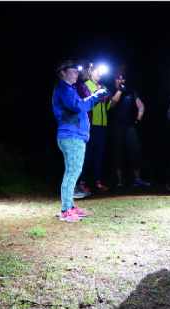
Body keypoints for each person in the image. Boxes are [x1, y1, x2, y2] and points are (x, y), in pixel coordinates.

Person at [52, 60, 107, 222]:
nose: (77, 73)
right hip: (71, 135)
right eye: (73, 71)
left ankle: (70, 206)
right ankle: (65, 210)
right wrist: (95, 96)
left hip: (74, 135)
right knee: (72, 172)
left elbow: (80, 105)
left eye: (77, 71)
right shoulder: (64, 88)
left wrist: (95, 97)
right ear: (63, 72)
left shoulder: (69, 89)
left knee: (73, 172)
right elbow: (78, 107)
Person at [109, 72, 151, 188]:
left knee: (135, 150)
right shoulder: (111, 91)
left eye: (123, 79)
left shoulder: (131, 92)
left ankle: (137, 179)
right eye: (118, 79)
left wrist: (138, 118)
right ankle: (119, 181)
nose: (121, 80)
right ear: (115, 80)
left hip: (130, 127)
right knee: (118, 153)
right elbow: (111, 104)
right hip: (116, 127)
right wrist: (120, 91)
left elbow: (141, 106)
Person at [81, 63, 111, 192]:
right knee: (87, 154)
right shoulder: (86, 85)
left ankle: (97, 182)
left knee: (99, 154)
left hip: (102, 125)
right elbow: (85, 102)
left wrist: (108, 99)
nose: (100, 73)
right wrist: (98, 95)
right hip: (90, 124)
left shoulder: (103, 86)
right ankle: (82, 183)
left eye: (101, 72)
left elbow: (107, 107)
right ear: (90, 72)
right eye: (97, 71)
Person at [73, 63, 93, 199]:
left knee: (81, 158)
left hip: (84, 126)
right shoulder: (74, 86)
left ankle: (79, 185)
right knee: (74, 158)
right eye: (87, 69)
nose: (88, 72)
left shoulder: (84, 85)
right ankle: (74, 188)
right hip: (74, 126)